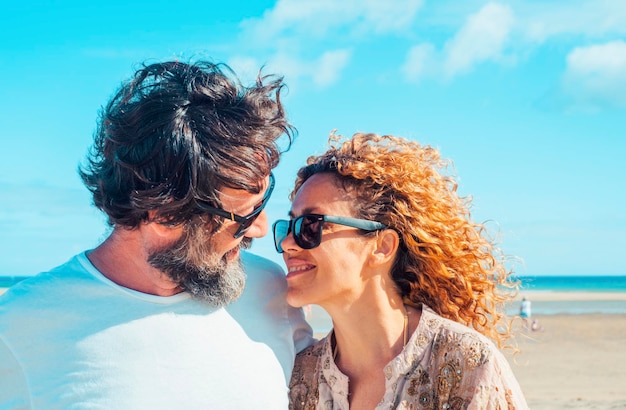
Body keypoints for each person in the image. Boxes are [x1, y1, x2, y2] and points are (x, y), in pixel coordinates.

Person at [0, 60, 313, 408]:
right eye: (245, 214)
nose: (261, 227)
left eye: (264, 198)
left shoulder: (269, 289)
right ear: (164, 215)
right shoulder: (17, 328)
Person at [274, 132, 528, 409]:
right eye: (289, 227)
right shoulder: (299, 376)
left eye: (311, 225)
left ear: (382, 246)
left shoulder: (466, 363)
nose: (288, 243)